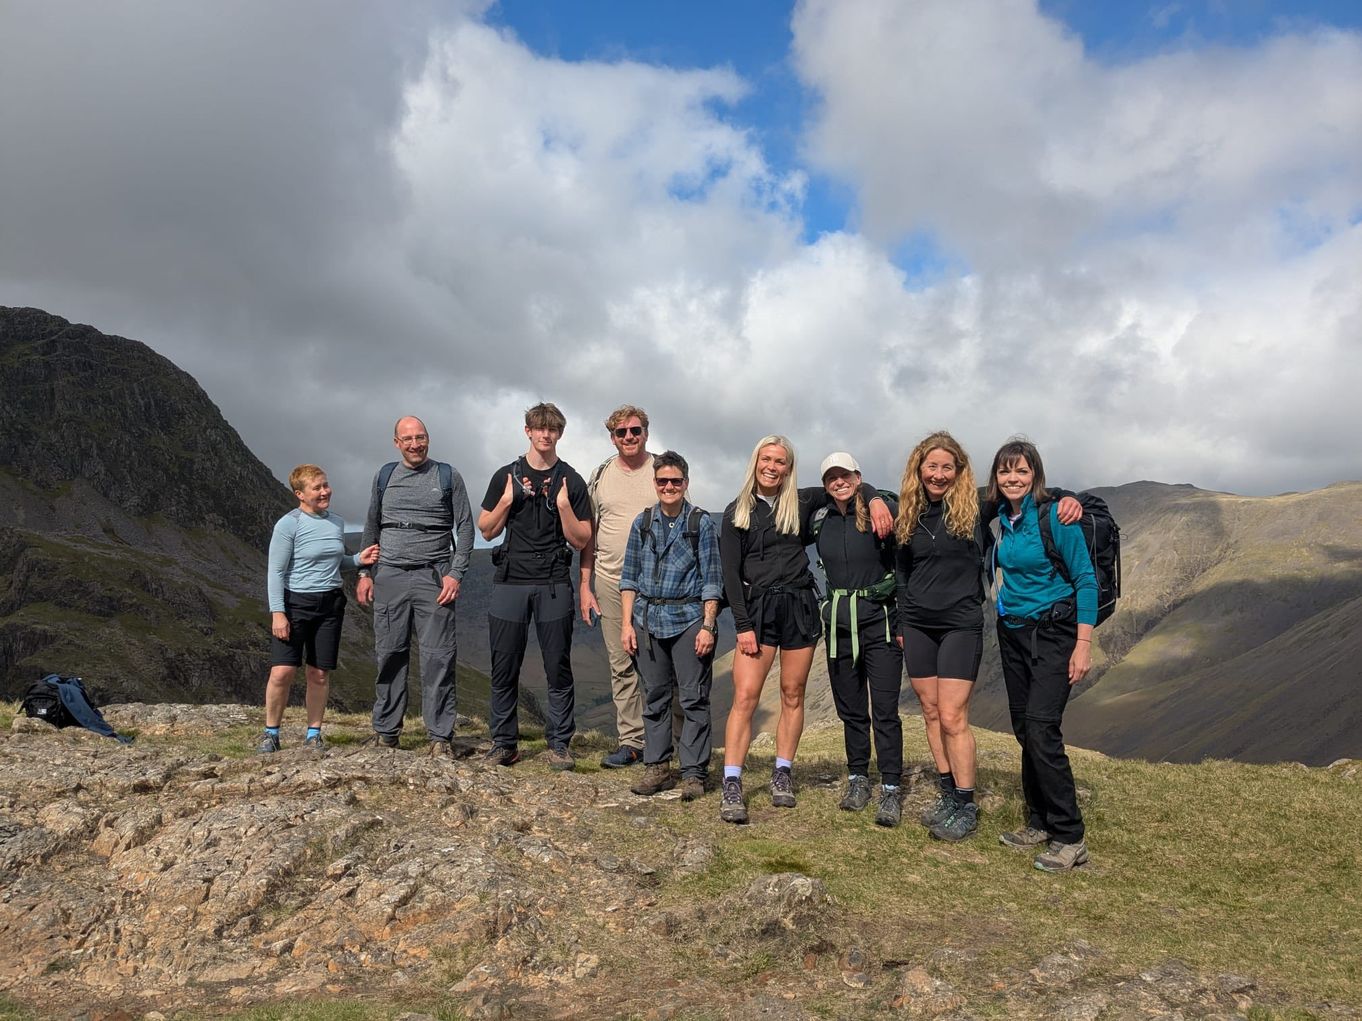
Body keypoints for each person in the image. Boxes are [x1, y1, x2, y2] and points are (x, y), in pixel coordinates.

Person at [896, 431, 1082, 842]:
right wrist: (901, 624)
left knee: (952, 715)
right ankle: (947, 794)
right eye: (932, 466)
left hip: (961, 623)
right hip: (918, 626)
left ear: (959, 470)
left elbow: (1027, 490)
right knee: (929, 712)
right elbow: (903, 574)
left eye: (948, 466)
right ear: (919, 469)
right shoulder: (907, 514)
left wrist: (1071, 498)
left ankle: (966, 803)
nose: (939, 474)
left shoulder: (978, 508)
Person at [719, 435, 892, 824]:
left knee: (792, 693)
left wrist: (875, 497)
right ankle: (733, 782)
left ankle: (783, 774)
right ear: (755, 462)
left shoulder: (802, 501)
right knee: (745, 697)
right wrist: (743, 625)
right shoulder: (737, 512)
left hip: (799, 606)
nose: (772, 467)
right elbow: (729, 573)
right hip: (758, 613)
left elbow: (846, 484)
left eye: (780, 461)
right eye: (766, 459)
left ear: (788, 467)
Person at [987, 437, 1096, 872]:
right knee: (1022, 728)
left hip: (1054, 635)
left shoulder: (1057, 517)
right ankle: (1038, 820)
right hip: (1013, 633)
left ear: (1036, 476)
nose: (1012, 479)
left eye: (1022, 471)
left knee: (1041, 728)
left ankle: (1070, 836)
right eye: (1004, 471)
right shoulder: (1001, 518)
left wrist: (1083, 644)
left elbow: (1086, 580)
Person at [478, 402, 593, 770]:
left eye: (553, 429)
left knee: (557, 665)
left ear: (560, 433)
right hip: (510, 580)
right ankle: (504, 743)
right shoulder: (505, 476)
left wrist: (562, 508)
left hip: (553, 583)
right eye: (539, 428)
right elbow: (487, 528)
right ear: (527, 431)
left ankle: (559, 744)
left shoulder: (571, 481)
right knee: (504, 665)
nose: (546, 435)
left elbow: (582, 539)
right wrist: (509, 500)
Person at [357, 417, 476, 756]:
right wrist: (365, 574)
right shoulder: (384, 476)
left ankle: (439, 738)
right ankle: (386, 733)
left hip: (435, 576)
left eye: (420, 437)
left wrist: (456, 574)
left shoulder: (447, 476)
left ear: (428, 439)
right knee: (390, 654)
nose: (414, 444)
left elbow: (465, 528)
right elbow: (371, 526)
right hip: (390, 574)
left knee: (438, 657)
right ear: (396, 442)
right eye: (407, 439)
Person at [619, 451, 722, 802]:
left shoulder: (701, 524)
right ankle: (657, 767)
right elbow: (629, 577)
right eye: (662, 481)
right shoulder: (643, 523)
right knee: (655, 697)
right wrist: (627, 625)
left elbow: (712, 579)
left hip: (689, 619)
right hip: (648, 621)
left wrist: (708, 626)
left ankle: (693, 773)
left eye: (675, 481)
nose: (669, 486)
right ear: (655, 483)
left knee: (693, 697)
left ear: (686, 483)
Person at [260, 464, 379, 753]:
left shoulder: (336, 523)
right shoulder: (289, 524)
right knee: (282, 672)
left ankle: (314, 734)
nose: (325, 491)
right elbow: (275, 571)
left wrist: (357, 560)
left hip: (329, 604)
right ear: (300, 494)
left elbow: (336, 563)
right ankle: (270, 733)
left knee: (320, 673)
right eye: (317, 488)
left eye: (326, 485)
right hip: (294, 603)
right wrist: (278, 612)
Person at [816, 453, 905, 827]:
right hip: (839, 624)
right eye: (831, 477)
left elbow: (901, 563)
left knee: (884, 710)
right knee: (851, 709)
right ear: (825, 485)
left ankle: (890, 787)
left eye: (846, 475)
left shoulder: (882, 508)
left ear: (858, 476)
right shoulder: (819, 519)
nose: (839, 481)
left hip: (880, 622)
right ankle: (857, 779)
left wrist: (871, 496)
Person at [579, 404, 655, 769]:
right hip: (609, 580)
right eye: (621, 432)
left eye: (635, 431)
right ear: (612, 437)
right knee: (620, 663)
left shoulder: (663, 471)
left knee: (661, 662)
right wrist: (585, 583)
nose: (629, 437)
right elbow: (588, 535)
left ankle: (668, 741)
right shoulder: (601, 475)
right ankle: (632, 742)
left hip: (657, 584)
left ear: (646, 433)